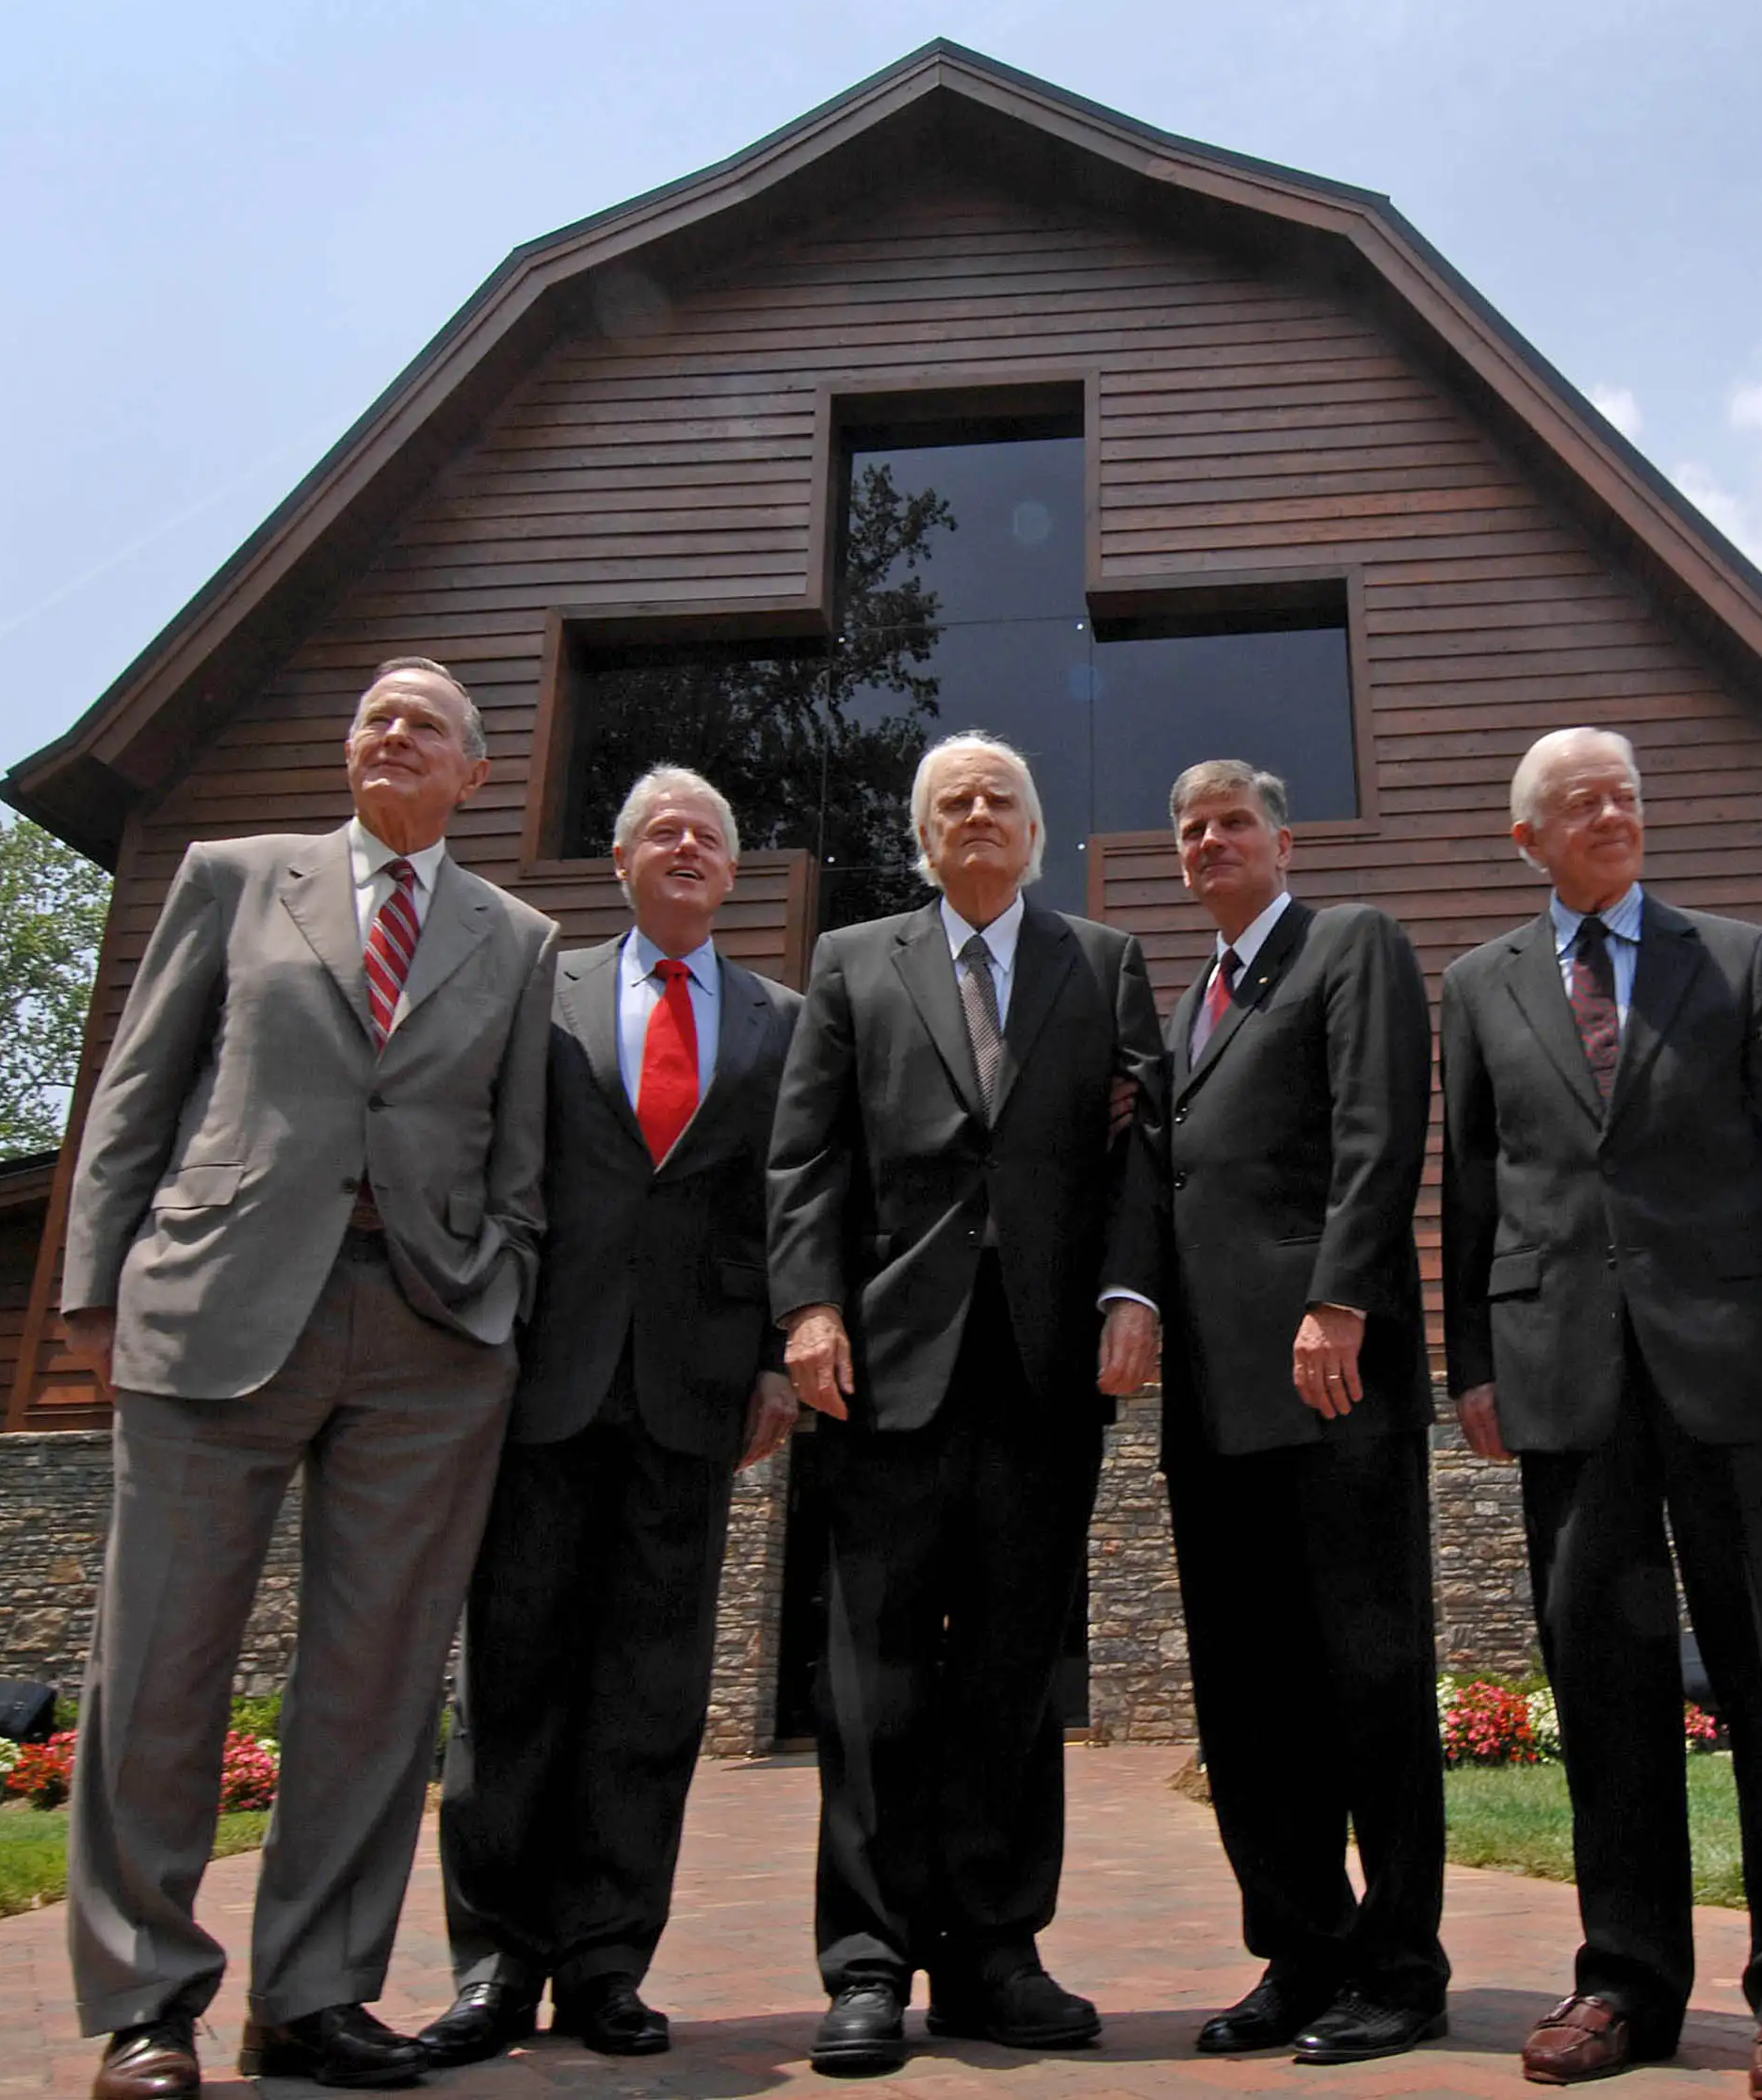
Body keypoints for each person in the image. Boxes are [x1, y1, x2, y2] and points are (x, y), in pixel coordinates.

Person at [59, 658, 559, 2100]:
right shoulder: (235, 878)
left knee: (377, 1682)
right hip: (216, 1310)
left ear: (476, 773)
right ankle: (147, 2006)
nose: (392, 734)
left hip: (426, 1338)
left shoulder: (514, 938)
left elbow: (518, 1160)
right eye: (374, 717)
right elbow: (138, 1087)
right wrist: (100, 1287)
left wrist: (494, 1305)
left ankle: (316, 1995)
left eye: (427, 725)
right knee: (160, 1668)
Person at [1438, 727, 1762, 2098]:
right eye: (1581, 801)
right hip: (1568, 1382)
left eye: (1625, 792)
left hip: (1740, 1375)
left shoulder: (1736, 960)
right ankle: (1624, 1981)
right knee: (1605, 1692)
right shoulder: (1479, 986)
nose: (1614, 811)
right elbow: (1471, 1187)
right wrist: (1472, 1368)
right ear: (1529, 840)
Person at [768, 731, 1166, 2076]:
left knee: (1011, 1671)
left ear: (1035, 829)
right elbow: (809, 1154)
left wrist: (1129, 1296)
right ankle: (870, 1964)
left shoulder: (1102, 964)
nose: (980, 813)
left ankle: (997, 1951)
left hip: (1045, 1371)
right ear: (924, 838)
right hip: (885, 1368)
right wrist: (809, 1310)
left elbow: (1140, 1160)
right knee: (870, 1674)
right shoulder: (851, 963)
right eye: (955, 803)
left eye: (1002, 796)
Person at [420, 766, 801, 2069]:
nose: (687, 848)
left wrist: (771, 1360)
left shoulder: (781, 1021)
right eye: (664, 832)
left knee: (652, 1692)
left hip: (691, 1397)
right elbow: (479, 1153)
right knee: (513, 1678)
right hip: (543, 1382)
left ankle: (604, 1963)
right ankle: (492, 1962)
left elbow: (783, 1206)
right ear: (624, 860)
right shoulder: (545, 991)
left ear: (733, 872)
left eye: (710, 835)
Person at [1156, 760, 1449, 2064]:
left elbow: (1381, 1131)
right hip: (1213, 1403)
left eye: (1233, 823)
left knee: (1368, 1679)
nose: (1211, 842)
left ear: (1284, 838)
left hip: (1331, 1379)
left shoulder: (1352, 947)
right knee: (1250, 1697)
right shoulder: (1190, 1010)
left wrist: (1341, 1301)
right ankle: (1299, 1950)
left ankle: (1397, 1968)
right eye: (1191, 831)